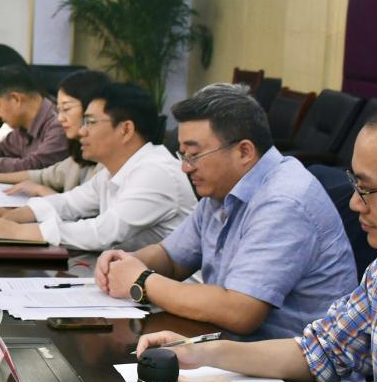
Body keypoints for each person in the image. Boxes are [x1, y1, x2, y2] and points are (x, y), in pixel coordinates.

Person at [132, 109, 377, 382]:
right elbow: (320, 350)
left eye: (367, 189)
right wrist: (200, 352)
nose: (354, 203)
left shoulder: (287, 197)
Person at [97, 83, 355, 339]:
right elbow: (172, 258)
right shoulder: (221, 188)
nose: (185, 167)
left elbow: (240, 312)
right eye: (183, 154)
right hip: (230, 347)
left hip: (294, 361)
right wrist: (125, 263)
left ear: (244, 151)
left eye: (194, 155)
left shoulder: (284, 201)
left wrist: (142, 280)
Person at [0, 83, 196, 251]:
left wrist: (20, 231)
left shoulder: (156, 172)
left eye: (90, 122)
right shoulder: (113, 170)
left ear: (126, 129)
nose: (81, 131)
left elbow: (103, 232)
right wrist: (13, 216)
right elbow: (70, 203)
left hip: (170, 292)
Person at [0, 69, 110, 196]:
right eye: (60, 109)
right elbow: (40, 175)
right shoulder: (77, 156)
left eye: (66, 109)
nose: (60, 118)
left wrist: (41, 190)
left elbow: (82, 210)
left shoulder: (107, 165)